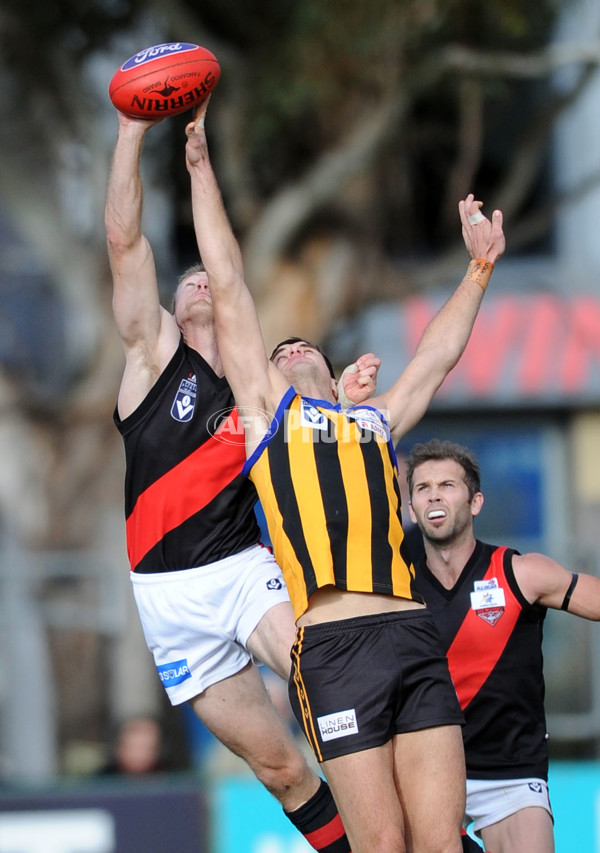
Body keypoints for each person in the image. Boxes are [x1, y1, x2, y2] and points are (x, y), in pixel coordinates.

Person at [185, 96, 506, 852]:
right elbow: (230, 288)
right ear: (262, 377)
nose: (289, 348)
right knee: (381, 846)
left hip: (408, 631)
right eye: (276, 350)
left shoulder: (373, 420)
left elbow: (437, 355)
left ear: (329, 370)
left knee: (441, 841)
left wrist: (481, 267)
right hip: (331, 650)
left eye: (304, 347)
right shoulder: (268, 419)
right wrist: (202, 173)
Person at [105, 106, 379, 852]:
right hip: (166, 599)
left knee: (330, 687)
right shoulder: (153, 360)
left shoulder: (261, 391)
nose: (197, 282)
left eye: (206, 277)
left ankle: (426, 825)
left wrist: (343, 397)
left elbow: (330, 439)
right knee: (281, 767)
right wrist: (132, 130)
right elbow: (124, 243)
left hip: (243, 570)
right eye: (185, 279)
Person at [406, 438, 600, 853]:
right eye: (423, 488)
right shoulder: (397, 591)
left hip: (510, 773)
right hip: (428, 771)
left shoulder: (521, 573)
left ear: (476, 502)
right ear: (411, 509)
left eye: (447, 485)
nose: (435, 494)